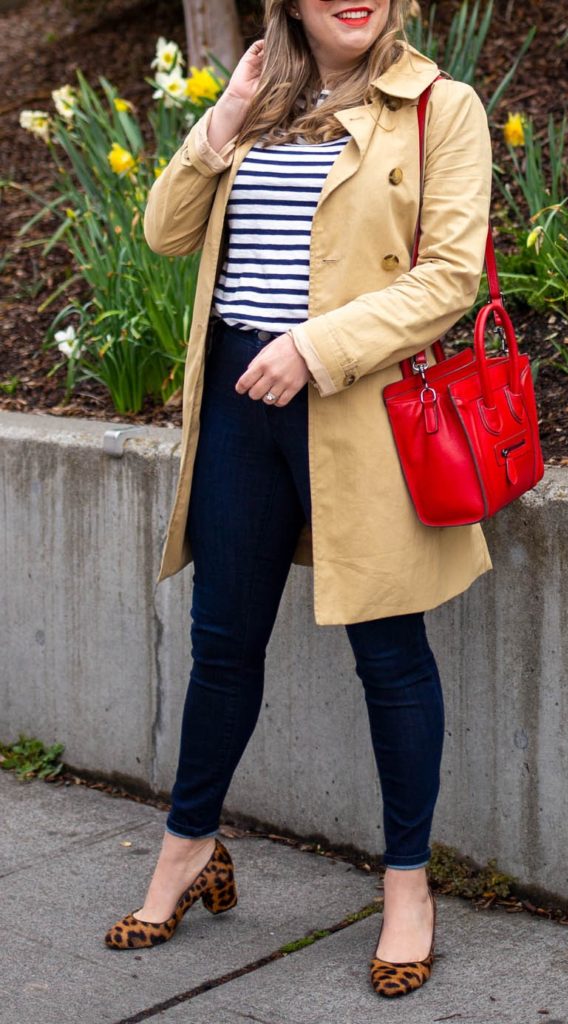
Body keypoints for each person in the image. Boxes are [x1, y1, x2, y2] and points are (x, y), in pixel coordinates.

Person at [104, 0, 493, 999]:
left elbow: (448, 276)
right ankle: (187, 847)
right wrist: (222, 118)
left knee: (387, 651)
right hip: (239, 402)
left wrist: (315, 348)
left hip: (354, 403)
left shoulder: (436, 106)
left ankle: (406, 883)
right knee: (223, 643)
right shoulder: (257, 100)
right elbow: (161, 233)